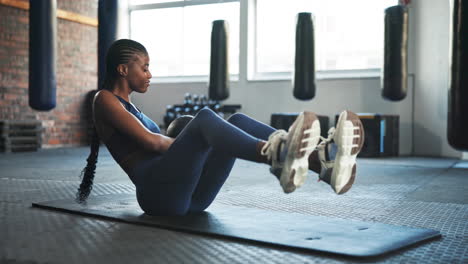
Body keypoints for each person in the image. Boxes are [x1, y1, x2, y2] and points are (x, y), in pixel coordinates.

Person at [76, 39, 364, 216]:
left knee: (234, 122)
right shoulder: (104, 99)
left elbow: (166, 143)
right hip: (158, 196)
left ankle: (321, 163)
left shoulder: (133, 107)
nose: (150, 74)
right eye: (145, 67)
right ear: (123, 70)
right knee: (204, 119)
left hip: (191, 198)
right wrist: (194, 139)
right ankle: (282, 154)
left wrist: (188, 135)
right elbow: (152, 144)